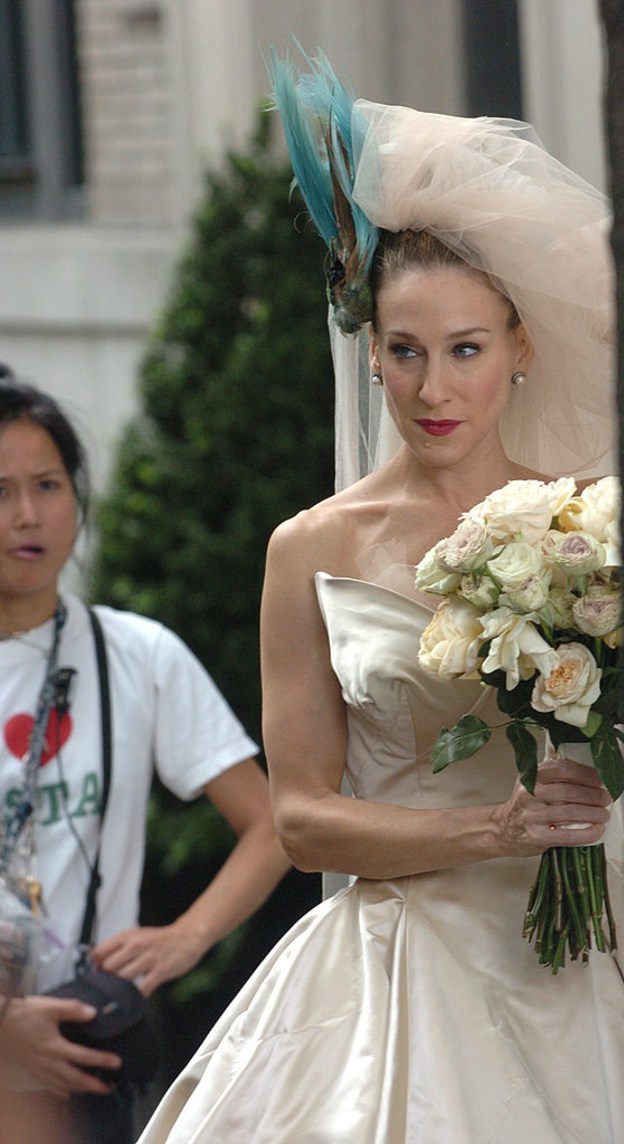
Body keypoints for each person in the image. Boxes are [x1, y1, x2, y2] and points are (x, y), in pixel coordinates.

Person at [136, 53, 624, 1143]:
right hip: (396, 955)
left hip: (586, 952)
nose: (431, 386)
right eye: (403, 351)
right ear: (369, 356)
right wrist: (494, 827)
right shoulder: (309, 546)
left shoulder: (590, 525)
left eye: (463, 348)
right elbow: (304, 816)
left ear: (519, 350)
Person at [0, 372, 292, 1144]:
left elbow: (272, 824)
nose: (25, 515)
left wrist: (187, 936)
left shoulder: (136, 656)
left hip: (85, 1068)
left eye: (47, 485)